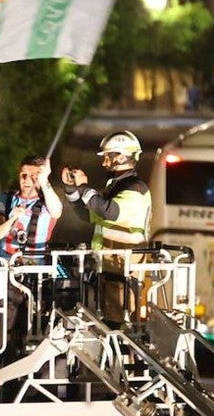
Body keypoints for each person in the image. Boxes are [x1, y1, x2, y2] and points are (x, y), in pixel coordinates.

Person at [61, 130, 151, 325]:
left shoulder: (135, 189)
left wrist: (84, 187)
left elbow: (110, 212)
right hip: (109, 268)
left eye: (108, 157)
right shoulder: (115, 186)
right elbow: (88, 214)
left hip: (125, 271)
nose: (104, 163)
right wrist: (71, 190)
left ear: (121, 156)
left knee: (122, 328)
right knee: (107, 325)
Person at [0, 155, 63, 341]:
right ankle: (2, 353)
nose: (26, 180)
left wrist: (45, 181)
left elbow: (57, 210)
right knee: (5, 317)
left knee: (32, 319)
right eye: (23, 175)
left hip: (35, 272)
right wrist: (12, 219)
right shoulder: (6, 199)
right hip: (6, 270)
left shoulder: (46, 200)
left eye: (32, 176)